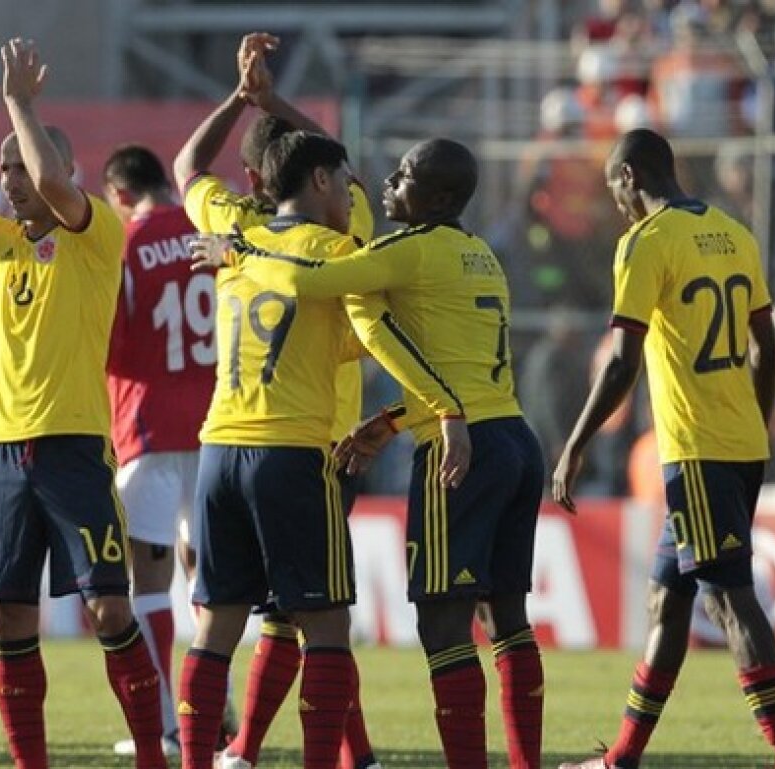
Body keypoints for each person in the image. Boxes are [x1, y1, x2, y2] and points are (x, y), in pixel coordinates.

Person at [195, 137, 546, 769]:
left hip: (452, 442)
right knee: (506, 618)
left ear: (436, 197)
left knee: (441, 624)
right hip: (513, 436)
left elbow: (315, 281)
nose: (383, 184)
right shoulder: (480, 254)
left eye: (403, 176)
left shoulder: (401, 251)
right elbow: (449, 356)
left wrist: (238, 252)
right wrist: (388, 420)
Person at [0, 40, 167, 769]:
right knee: (12, 616)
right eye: (5, 170)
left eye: (21, 167)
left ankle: (152, 753)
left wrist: (19, 104)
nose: (13, 181)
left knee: (110, 610)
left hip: (76, 448)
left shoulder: (96, 235)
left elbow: (52, 178)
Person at [173, 32, 383, 769]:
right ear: (323, 181)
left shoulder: (234, 229)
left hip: (219, 447)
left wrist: (241, 99)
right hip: (304, 446)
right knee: (321, 621)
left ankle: (213, 757)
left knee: (219, 625)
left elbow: (187, 167)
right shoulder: (337, 246)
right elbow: (341, 178)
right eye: (340, 178)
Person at [552, 129, 775, 769]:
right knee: (668, 598)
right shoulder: (734, 233)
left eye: (613, 190)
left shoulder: (646, 244)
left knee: (731, 600)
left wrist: (575, 443)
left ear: (629, 177)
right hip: (737, 441)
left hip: (698, 450)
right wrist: (755, 422)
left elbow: (624, 359)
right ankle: (622, 758)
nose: (616, 204)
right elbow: (766, 350)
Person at [101, 143, 212, 759]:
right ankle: (210, 706)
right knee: (205, 573)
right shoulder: (206, 228)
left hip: (145, 427)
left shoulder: (124, 245)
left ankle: (168, 719)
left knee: (149, 578)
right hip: (215, 426)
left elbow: (111, 344)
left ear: (119, 195)